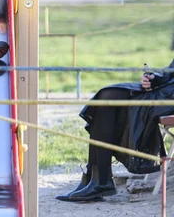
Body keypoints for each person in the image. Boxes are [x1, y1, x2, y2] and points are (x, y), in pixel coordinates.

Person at [57, 58, 174, 202]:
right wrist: (154, 78)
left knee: (108, 96)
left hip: (170, 96)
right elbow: (171, 71)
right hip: (166, 90)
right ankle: (94, 176)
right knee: (105, 96)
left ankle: (101, 181)